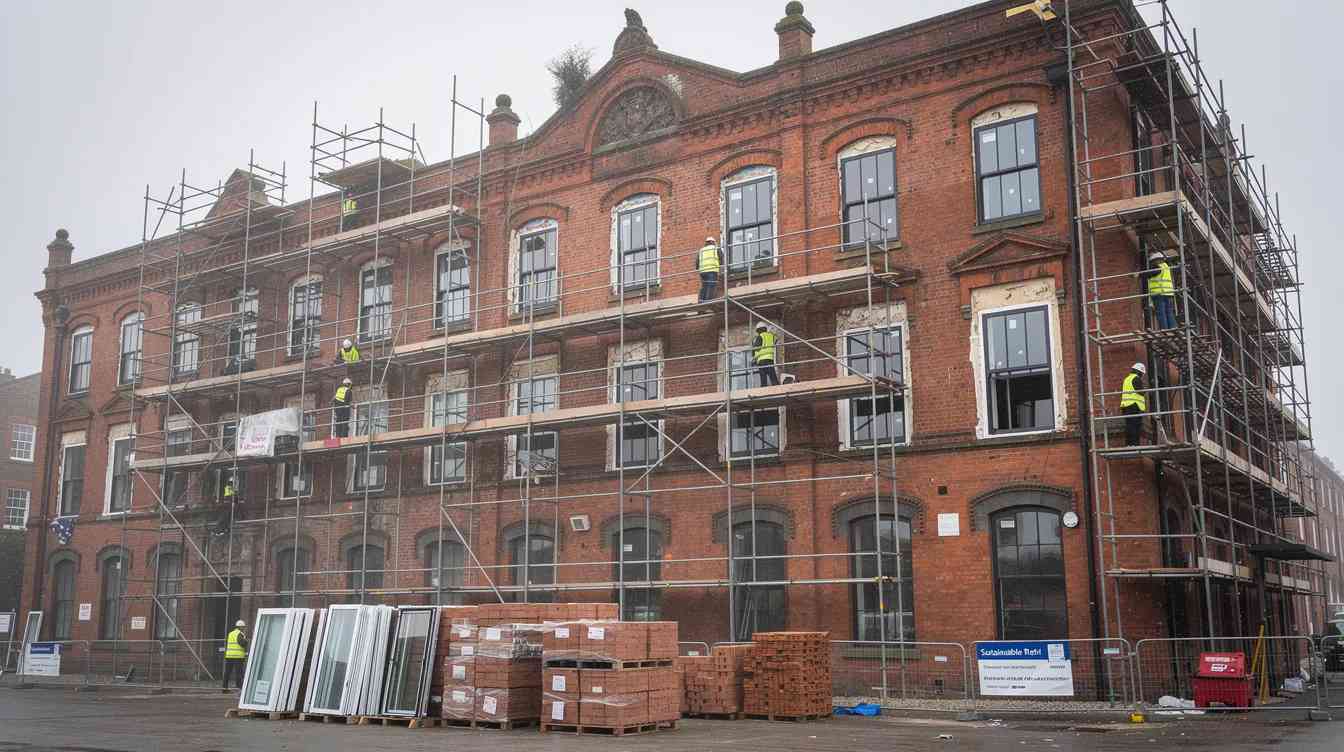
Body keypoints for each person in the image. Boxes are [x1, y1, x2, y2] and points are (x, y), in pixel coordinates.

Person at [1143, 251, 1177, 330]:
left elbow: (1150, 274)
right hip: (1168, 294)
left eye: (1153, 261)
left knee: (1161, 313)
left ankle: (1164, 329)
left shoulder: (1158, 267)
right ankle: (1173, 328)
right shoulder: (1166, 267)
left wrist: (1139, 274)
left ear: (1157, 260)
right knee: (1169, 312)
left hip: (1159, 294)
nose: (1153, 263)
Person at [1121, 361, 1148, 446]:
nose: (1142, 375)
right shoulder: (1136, 379)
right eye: (1142, 373)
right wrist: (1146, 389)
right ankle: (1134, 444)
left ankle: (1129, 444)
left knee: (1129, 425)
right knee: (1135, 425)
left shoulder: (1127, 379)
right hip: (1134, 405)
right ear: (1139, 372)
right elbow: (1140, 392)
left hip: (1126, 406)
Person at [222, 619, 248, 692]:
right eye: (243, 627)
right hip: (238, 656)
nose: (244, 628)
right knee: (239, 672)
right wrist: (246, 640)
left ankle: (224, 688)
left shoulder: (230, 633)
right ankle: (239, 687)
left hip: (229, 656)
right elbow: (242, 643)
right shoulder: (240, 634)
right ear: (241, 627)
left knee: (227, 672)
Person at [752, 322, 780, 387]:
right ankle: (777, 386)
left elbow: (756, 348)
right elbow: (776, 341)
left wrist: (754, 358)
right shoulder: (771, 336)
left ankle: (763, 387)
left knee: (763, 377)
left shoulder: (760, 337)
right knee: (772, 376)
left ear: (758, 330)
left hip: (761, 360)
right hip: (770, 359)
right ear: (765, 329)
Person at [696, 236, 723, 302]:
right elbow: (721, 258)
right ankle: (708, 303)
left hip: (702, 272)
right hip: (712, 270)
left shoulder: (701, 250)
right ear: (712, 242)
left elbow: (697, 261)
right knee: (711, 286)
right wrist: (720, 266)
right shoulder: (716, 248)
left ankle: (701, 301)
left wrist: (698, 268)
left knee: (704, 287)